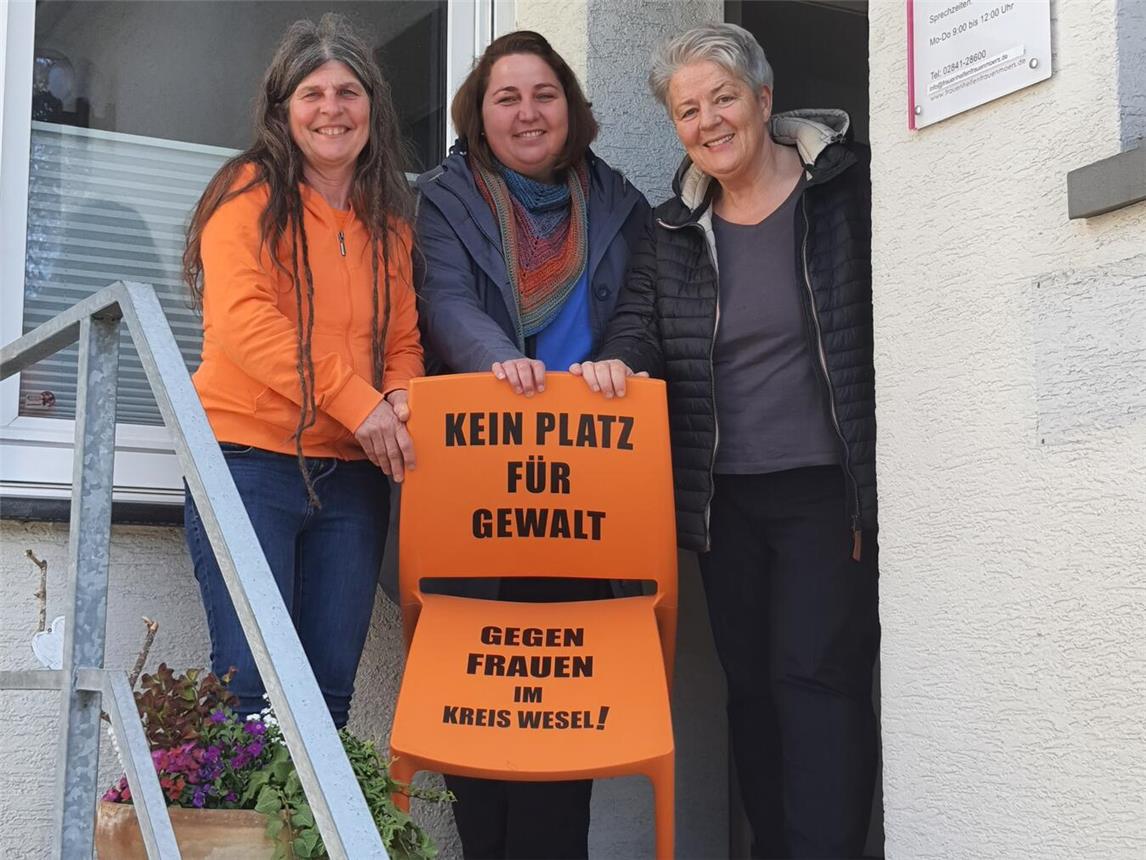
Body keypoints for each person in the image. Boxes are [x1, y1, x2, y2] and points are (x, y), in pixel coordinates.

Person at [574, 22, 880, 859]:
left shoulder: (845, 194)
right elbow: (637, 328)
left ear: (764, 99)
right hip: (724, 500)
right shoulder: (673, 232)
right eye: (686, 110)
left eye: (723, 98)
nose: (707, 122)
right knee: (751, 691)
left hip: (827, 488)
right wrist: (609, 366)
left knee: (817, 680)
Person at [414, 29, 649, 860]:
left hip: (586, 501)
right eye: (506, 96)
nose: (527, 112)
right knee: (478, 722)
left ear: (571, 107)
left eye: (543, 94)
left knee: (565, 726)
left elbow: (639, 312)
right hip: (478, 495)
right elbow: (442, 301)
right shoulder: (446, 198)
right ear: (480, 111)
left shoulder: (617, 200)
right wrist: (496, 362)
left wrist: (624, 359)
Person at [181, 14, 422, 729]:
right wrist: (361, 402)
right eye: (312, 93)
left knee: (326, 702)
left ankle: (309, 844)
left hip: (352, 479)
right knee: (250, 687)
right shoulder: (246, 190)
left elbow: (404, 337)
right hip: (249, 463)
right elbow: (245, 323)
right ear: (283, 109)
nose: (331, 109)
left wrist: (402, 401)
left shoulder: (390, 222)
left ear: (372, 108)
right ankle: (242, 843)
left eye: (348, 92)